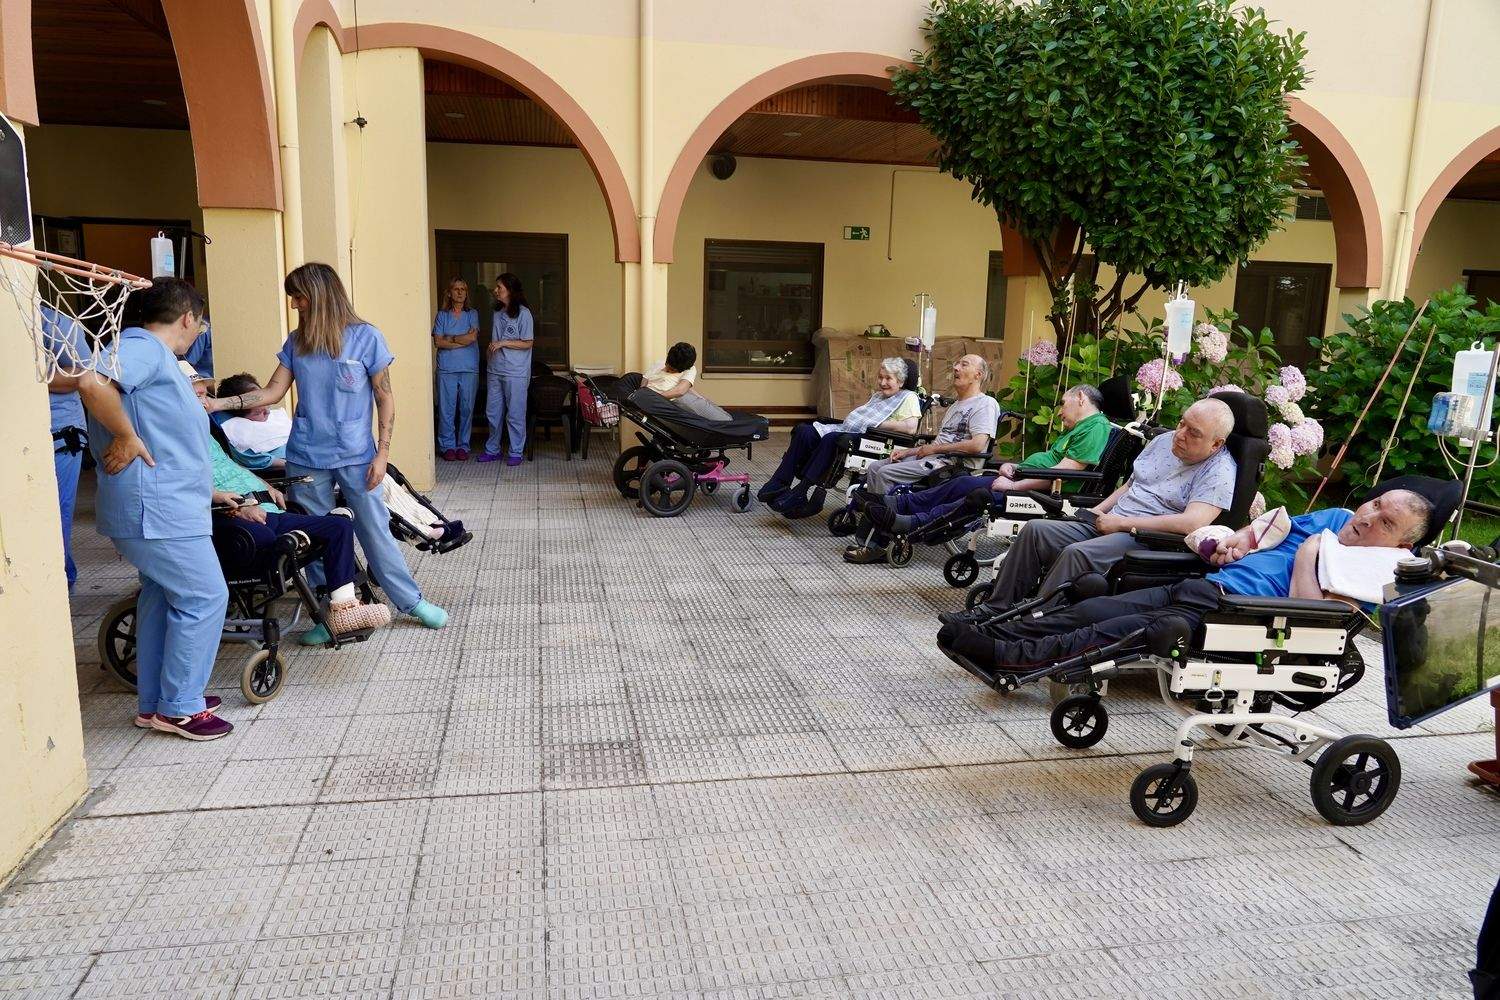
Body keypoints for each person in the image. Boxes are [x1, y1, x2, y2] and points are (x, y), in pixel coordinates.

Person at [938, 490, 1432, 682]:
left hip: (1245, 618)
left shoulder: (1380, 569)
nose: (1367, 519)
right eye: (1374, 504)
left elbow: (1308, 613)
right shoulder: (1338, 517)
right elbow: (1270, 530)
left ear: (1400, 544)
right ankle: (1002, 636)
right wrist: (1237, 540)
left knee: (1125, 630)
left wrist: (1310, 555)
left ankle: (1009, 660)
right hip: (1211, 586)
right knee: (1098, 607)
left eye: (1385, 522)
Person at [203, 261, 448, 634]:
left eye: (298, 296)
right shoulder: (296, 343)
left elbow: (385, 398)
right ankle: (331, 612)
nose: (294, 304)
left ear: (318, 295)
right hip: (306, 459)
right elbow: (272, 391)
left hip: (358, 457)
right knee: (316, 537)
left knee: (374, 529)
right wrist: (219, 404)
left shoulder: (367, 338)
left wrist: (382, 453)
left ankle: (411, 601)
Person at [63, 278, 232, 741]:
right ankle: (180, 707)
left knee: (162, 596)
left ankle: (157, 701)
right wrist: (125, 435)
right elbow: (90, 382)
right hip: (157, 509)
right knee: (204, 597)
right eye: (200, 321)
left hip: (165, 504)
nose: (199, 329)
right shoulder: (143, 347)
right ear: (187, 318)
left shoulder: (155, 358)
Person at [940, 396, 1237, 622]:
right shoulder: (1163, 441)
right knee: (1035, 531)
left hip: (1146, 537)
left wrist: (1120, 523)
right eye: (1182, 423)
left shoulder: (1220, 470)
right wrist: (1098, 510)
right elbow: (1132, 485)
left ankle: (1032, 625)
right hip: (1112, 519)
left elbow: (1191, 523)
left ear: (1215, 443)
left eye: (1193, 432)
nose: (1180, 433)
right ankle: (994, 609)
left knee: (1076, 553)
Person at [184, 363, 391, 638]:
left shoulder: (207, 430)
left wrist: (264, 484)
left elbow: (235, 465)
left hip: (263, 507)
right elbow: (183, 484)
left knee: (339, 526)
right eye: (196, 395)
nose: (204, 401)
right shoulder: (174, 438)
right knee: (277, 542)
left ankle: (344, 610)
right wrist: (232, 505)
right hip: (232, 515)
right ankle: (312, 613)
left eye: (203, 394)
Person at [864, 383, 1112, 537]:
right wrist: (1017, 466)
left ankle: (910, 523)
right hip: (1025, 480)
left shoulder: (1095, 427)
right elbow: (1050, 461)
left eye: (1062, 404)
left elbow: (1063, 472)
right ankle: (899, 505)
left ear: (1080, 398)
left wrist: (1014, 485)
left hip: (1043, 494)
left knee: (975, 497)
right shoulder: (1081, 427)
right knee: (961, 483)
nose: (1059, 411)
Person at [843, 354, 1001, 564]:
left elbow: (977, 445)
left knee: (884, 473)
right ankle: (870, 532)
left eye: (964, 364)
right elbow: (936, 443)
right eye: (956, 363)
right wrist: (908, 452)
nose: (955, 367)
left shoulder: (985, 404)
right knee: (875, 467)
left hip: (952, 463)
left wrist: (933, 450)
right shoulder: (955, 405)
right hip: (934, 457)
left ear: (978, 375)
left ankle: (878, 543)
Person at [757, 356, 921, 518]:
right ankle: (780, 481)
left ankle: (802, 490)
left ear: (900, 381)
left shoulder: (908, 397)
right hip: (857, 432)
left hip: (877, 439)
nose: (883, 382)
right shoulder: (879, 395)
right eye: (880, 377)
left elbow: (910, 428)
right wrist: (868, 422)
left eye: (888, 378)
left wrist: (877, 424)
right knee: (804, 431)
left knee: (832, 439)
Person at [42, 303, 92, 591]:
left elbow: (83, 377)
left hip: (59, 436)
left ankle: (62, 586)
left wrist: (34, 372)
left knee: (55, 517)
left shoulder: (55, 322)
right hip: (17, 434)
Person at [478, 272, 533, 466]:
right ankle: (492, 450)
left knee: (515, 413)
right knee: (493, 412)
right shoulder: (497, 312)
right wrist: (490, 350)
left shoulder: (524, 314)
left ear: (509, 290)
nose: (495, 290)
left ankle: (516, 451)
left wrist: (503, 343)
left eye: (499, 287)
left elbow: (528, 342)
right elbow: (494, 339)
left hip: (515, 371)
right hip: (495, 369)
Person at [432, 277, 480, 461]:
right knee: (447, 409)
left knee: (467, 409)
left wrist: (449, 339)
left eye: (463, 289)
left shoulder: (472, 314)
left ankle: (463, 445)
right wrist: (460, 339)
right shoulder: (442, 315)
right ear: (449, 293)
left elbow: (472, 339)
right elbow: (438, 341)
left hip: (469, 369)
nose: (460, 292)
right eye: (456, 289)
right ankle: (447, 446)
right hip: (446, 369)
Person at [644, 342, 733, 422]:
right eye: (667, 365)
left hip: (677, 397)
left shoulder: (690, 369)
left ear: (684, 369)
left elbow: (681, 390)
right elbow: (644, 381)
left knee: (725, 418)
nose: (667, 369)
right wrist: (648, 397)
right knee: (725, 420)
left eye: (672, 370)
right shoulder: (659, 363)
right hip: (673, 402)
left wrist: (654, 398)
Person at [217, 372, 292, 465]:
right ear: (240, 417)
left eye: (267, 405)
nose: (268, 412)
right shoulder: (239, 434)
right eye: (258, 412)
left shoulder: (276, 417)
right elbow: (277, 463)